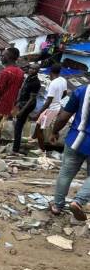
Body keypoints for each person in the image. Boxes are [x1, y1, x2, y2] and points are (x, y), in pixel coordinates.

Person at [49, 83, 90, 220]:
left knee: (66, 172)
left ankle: (57, 206)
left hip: (75, 140)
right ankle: (78, 202)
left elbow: (63, 117)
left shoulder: (82, 90)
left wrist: (55, 131)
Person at [32, 63, 67, 152]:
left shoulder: (53, 84)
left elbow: (48, 101)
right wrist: (58, 99)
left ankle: (42, 149)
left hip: (50, 109)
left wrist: (38, 113)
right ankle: (33, 139)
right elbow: (65, 93)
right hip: (56, 107)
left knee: (40, 129)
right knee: (38, 124)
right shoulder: (63, 80)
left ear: (50, 72)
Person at [13, 63, 42, 154]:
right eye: (31, 68)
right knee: (18, 125)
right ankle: (16, 147)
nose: (31, 70)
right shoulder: (28, 78)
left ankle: (15, 150)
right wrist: (17, 100)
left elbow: (32, 99)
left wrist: (22, 111)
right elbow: (23, 90)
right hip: (23, 102)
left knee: (18, 126)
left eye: (34, 69)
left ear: (37, 71)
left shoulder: (36, 82)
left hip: (28, 105)